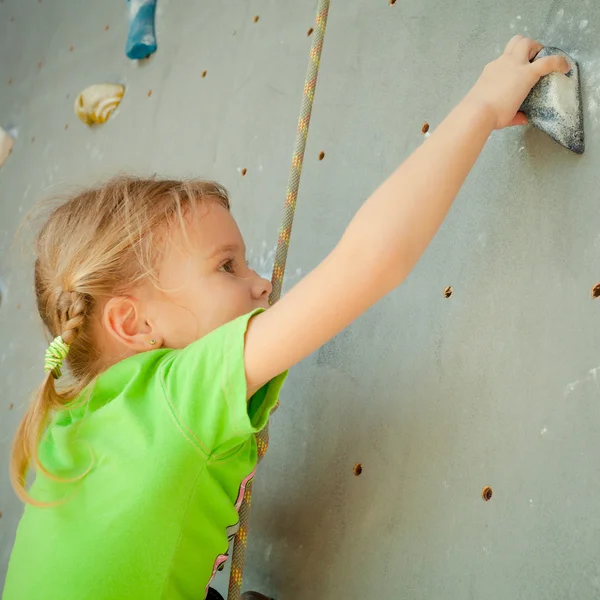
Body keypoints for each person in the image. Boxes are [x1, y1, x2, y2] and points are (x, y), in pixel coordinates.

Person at [3, 36, 568, 600]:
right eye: (226, 267)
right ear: (133, 325)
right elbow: (370, 263)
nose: (260, 282)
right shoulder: (173, 396)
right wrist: (481, 108)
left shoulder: (72, 415)